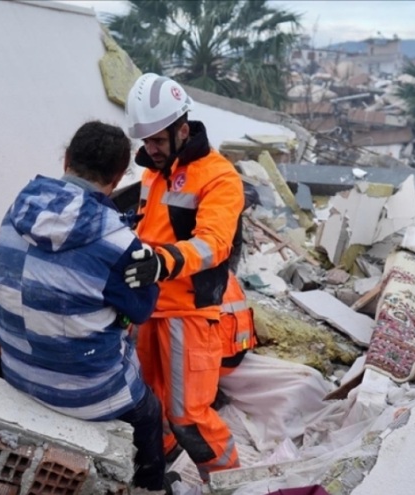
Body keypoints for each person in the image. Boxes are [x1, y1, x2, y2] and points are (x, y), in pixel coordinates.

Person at [0, 121, 171, 494]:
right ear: (119, 177)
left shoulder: (16, 209)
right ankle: (151, 488)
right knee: (150, 415)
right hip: (86, 394)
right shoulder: (121, 242)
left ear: (67, 158)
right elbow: (141, 310)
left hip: (15, 371)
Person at [122, 73, 244, 481]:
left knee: (188, 416)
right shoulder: (152, 175)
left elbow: (214, 244)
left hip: (189, 313)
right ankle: (160, 475)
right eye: (146, 141)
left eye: (157, 140)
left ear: (183, 129)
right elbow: (145, 231)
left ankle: (232, 484)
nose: (150, 149)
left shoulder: (219, 177)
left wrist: (161, 262)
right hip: (149, 308)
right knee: (150, 405)